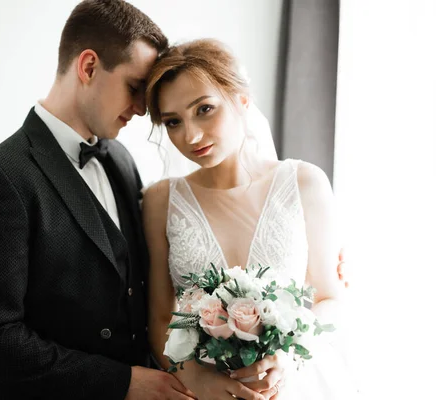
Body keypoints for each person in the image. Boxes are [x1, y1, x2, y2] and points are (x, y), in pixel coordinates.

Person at [0, 1, 197, 399]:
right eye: (135, 87)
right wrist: (122, 383)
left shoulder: (119, 158)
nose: (140, 109)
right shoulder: (2, 174)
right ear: (88, 67)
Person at [143, 39, 359, 399]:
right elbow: (162, 319)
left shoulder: (304, 183)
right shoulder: (160, 200)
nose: (191, 135)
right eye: (173, 122)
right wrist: (197, 379)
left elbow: (330, 298)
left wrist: (289, 355)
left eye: (205, 109)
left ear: (242, 100)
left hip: (296, 383)